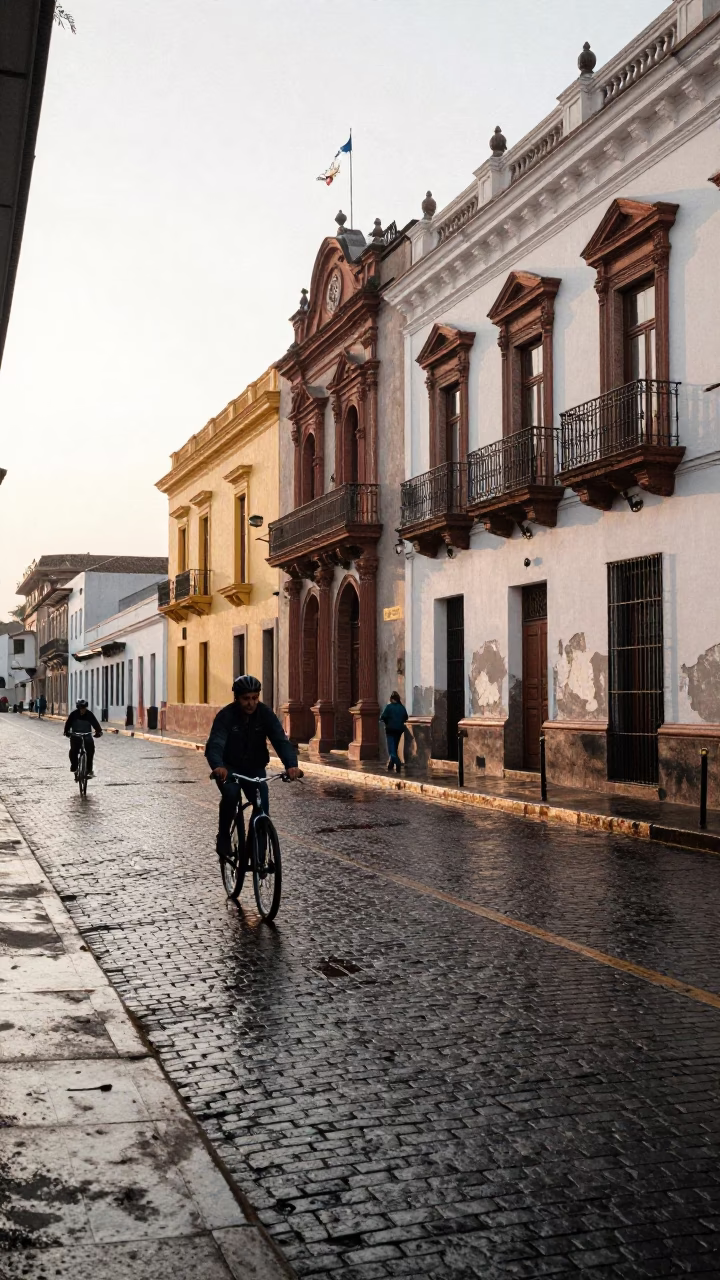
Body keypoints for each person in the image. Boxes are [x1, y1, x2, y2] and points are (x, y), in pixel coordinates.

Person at [205, 674, 302, 858]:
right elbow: (216, 743)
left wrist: (291, 765)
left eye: (255, 698)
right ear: (237, 698)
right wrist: (218, 766)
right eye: (246, 699)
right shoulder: (226, 716)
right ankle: (224, 836)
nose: (251, 703)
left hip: (254, 768)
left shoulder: (265, 714)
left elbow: (280, 740)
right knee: (231, 794)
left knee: (262, 804)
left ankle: (259, 855)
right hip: (229, 768)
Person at [64, 699, 102, 777]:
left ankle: (89, 769)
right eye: (81, 708)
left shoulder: (89, 714)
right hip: (76, 735)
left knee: (90, 750)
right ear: (78, 708)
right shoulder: (73, 714)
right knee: (73, 751)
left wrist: (99, 731)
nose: (83, 710)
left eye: (84, 708)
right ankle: (74, 765)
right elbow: (68, 724)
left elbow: (95, 723)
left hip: (87, 735)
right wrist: (66, 731)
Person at [380, 691, 408, 772]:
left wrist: (386, 721)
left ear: (391, 699)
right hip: (399, 730)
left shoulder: (389, 707)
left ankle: (397, 762)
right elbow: (405, 717)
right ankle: (391, 764)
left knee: (391, 750)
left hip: (390, 730)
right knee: (395, 746)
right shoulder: (402, 707)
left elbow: (383, 717)